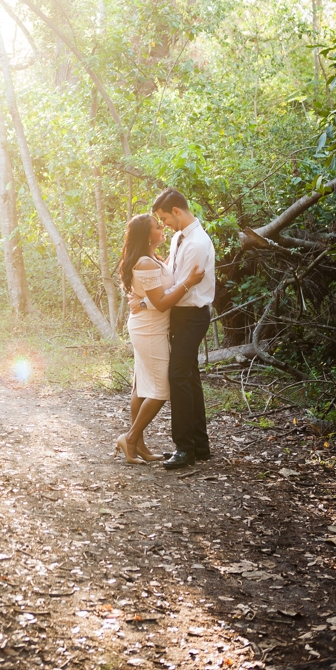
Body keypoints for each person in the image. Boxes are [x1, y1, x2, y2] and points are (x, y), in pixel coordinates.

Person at [117, 214, 206, 465]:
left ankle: (140, 445)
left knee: (141, 384)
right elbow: (162, 301)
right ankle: (131, 438)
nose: (163, 228)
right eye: (158, 227)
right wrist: (188, 283)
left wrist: (142, 300)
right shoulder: (145, 263)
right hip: (149, 330)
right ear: (148, 235)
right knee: (159, 389)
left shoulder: (154, 259)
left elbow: (159, 287)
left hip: (151, 326)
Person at [150, 187, 216, 469]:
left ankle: (184, 448)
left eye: (164, 218)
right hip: (180, 315)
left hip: (192, 315)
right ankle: (200, 446)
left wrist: (149, 301)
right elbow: (172, 275)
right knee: (189, 377)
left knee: (177, 376)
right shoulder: (179, 237)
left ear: (176, 211)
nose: (163, 225)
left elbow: (180, 287)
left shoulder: (197, 244)